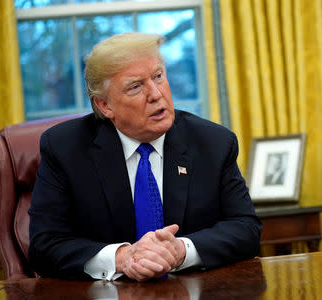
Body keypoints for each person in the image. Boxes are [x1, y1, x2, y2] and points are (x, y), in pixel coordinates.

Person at [28, 32, 262, 282]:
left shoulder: (213, 143)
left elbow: (246, 229)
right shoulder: (65, 149)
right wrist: (122, 257)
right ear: (105, 106)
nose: (156, 94)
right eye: (135, 86)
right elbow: (45, 245)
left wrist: (181, 250)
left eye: (158, 76)